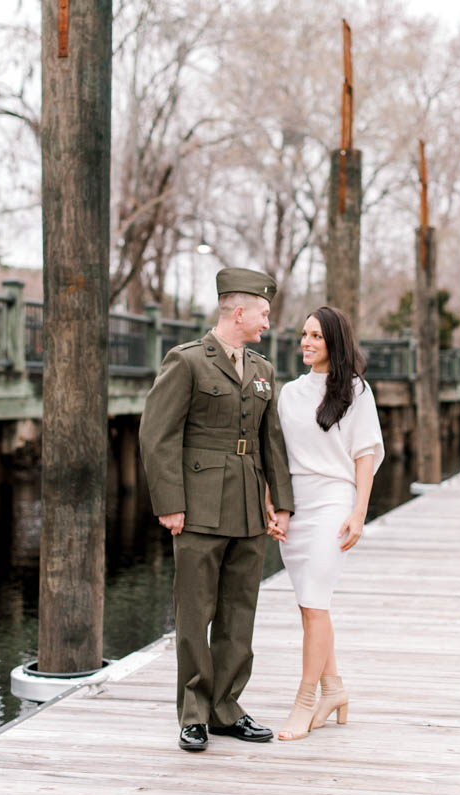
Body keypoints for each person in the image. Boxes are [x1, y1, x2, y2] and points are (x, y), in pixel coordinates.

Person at [139, 267, 294, 752]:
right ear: (240, 311)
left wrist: (281, 504)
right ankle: (193, 713)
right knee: (194, 613)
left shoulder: (264, 371)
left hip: (248, 507)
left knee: (238, 613)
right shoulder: (187, 362)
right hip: (199, 507)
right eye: (264, 313)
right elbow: (157, 435)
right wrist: (170, 504)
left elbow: (273, 443)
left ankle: (227, 707)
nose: (269, 322)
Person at [267, 305, 384, 741]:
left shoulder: (356, 391)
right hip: (296, 504)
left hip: (335, 501)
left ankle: (304, 702)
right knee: (310, 607)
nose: (306, 343)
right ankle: (334, 689)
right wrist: (273, 505)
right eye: (303, 335)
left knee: (315, 604)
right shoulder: (290, 393)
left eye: (316, 336)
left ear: (334, 341)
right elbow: (275, 456)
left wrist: (359, 512)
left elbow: (366, 454)